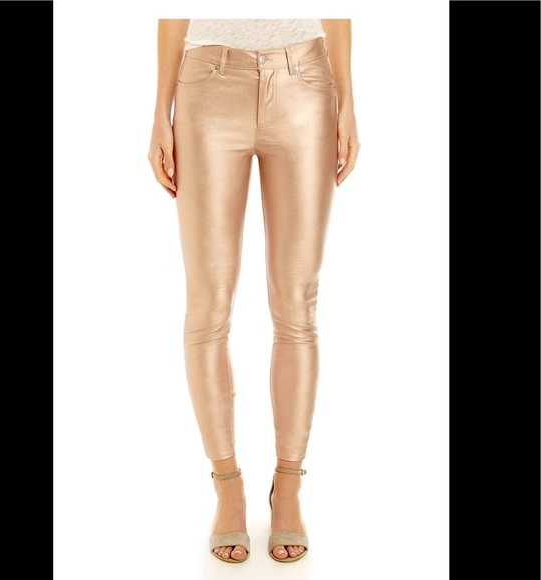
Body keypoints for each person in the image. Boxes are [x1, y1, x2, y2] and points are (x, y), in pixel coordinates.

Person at [148, 18, 359, 564]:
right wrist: (160, 112)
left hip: (306, 82)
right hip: (207, 85)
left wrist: (348, 101)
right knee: (208, 306)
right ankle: (228, 488)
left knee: (297, 305)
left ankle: (288, 486)